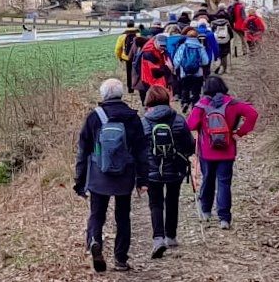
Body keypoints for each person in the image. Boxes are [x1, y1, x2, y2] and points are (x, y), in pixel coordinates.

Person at [75, 79, 149, 272]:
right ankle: (121, 259)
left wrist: (80, 181)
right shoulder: (132, 118)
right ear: (121, 94)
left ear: (103, 95)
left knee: (97, 214)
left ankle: (94, 241)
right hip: (125, 175)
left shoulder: (94, 118)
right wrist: (142, 179)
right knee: (123, 216)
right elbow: (142, 151)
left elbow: (83, 151)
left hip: (99, 175)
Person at [187, 76, 259, 230]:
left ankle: (206, 211)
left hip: (206, 151)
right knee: (224, 182)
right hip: (227, 151)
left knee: (208, 179)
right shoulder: (233, 103)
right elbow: (253, 114)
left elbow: (191, 125)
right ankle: (224, 219)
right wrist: (240, 133)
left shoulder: (201, 105)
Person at [141, 85, 195, 258]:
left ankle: (158, 238)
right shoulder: (178, 119)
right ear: (167, 99)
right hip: (176, 169)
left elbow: (139, 148)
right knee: (172, 199)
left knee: (155, 203)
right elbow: (190, 145)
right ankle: (171, 236)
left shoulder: (144, 122)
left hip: (152, 169)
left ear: (148, 100)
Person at [174, 29, 208, 112]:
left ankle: (185, 103)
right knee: (196, 92)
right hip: (198, 74)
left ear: (187, 36)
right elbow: (205, 61)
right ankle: (195, 106)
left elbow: (177, 61)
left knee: (185, 89)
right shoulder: (200, 47)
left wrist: (177, 68)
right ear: (197, 36)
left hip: (185, 73)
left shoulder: (183, 46)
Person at [139, 34, 174, 104]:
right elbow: (156, 72)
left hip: (157, 82)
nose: (162, 47)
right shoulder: (148, 53)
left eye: (164, 46)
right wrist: (169, 67)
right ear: (155, 42)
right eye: (161, 45)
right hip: (151, 82)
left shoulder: (161, 51)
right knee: (154, 101)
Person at [114, 21, 139, 93]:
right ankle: (139, 87)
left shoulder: (122, 36)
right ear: (134, 25)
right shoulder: (138, 34)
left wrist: (119, 57)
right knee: (138, 72)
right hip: (137, 56)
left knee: (129, 73)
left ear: (127, 25)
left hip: (127, 58)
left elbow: (118, 49)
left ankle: (130, 89)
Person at [210, 5, 234, 74]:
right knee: (226, 53)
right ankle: (226, 68)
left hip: (217, 39)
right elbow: (230, 32)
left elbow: (212, 31)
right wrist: (230, 38)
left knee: (220, 53)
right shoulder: (227, 21)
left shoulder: (214, 22)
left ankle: (221, 67)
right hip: (226, 39)